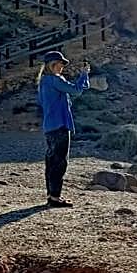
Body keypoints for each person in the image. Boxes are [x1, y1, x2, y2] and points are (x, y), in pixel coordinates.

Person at [36, 50, 90, 208]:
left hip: (49, 126)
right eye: (60, 64)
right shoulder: (55, 80)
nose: (62, 67)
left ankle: (51, 195)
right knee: (60, 162)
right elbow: (76, 90)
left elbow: (75, 90)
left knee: (52, 161)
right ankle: (55, 197)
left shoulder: (44, 81)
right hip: (60, 124)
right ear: (52, 65)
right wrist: (84, 74)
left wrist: (82, 80)